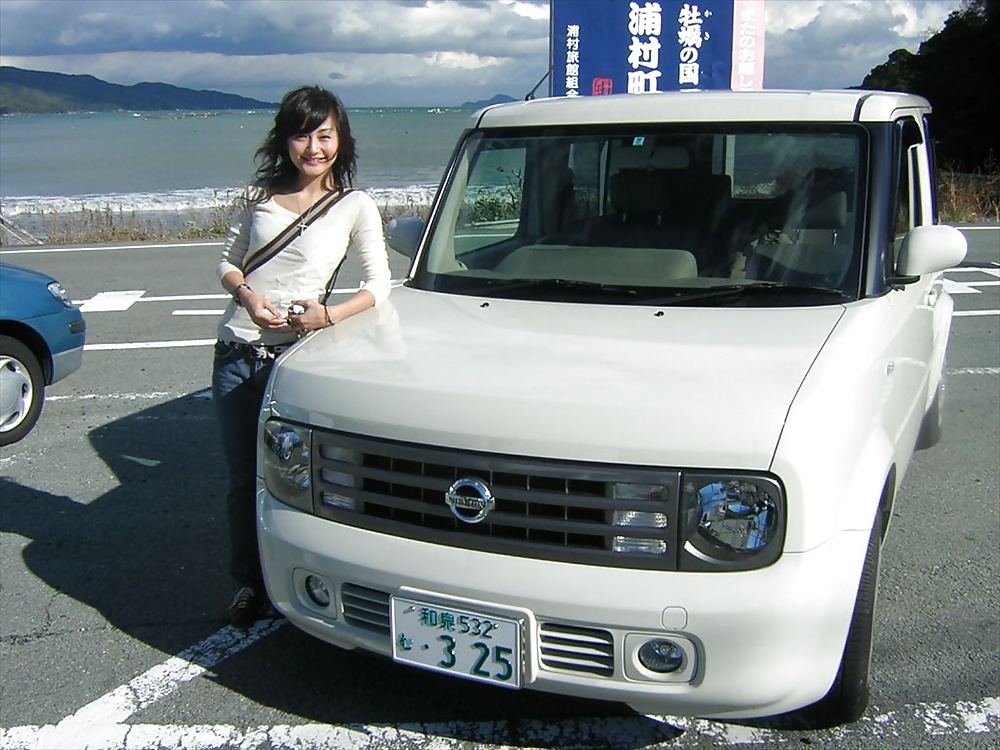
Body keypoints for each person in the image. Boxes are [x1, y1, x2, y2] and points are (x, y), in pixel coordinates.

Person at [213, 85, 391, 627]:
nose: (313, 148)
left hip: (299, 360)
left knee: (302, 481)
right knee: (244, 480)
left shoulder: (355, 206)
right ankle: (249, 583)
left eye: (324, 135)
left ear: (341, 140)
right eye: (301, 135)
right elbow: (227, 263)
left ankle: (309, 576)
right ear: (284, 140)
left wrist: (327, 317)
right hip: (237, 352)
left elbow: (378, 285)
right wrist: (247, 296)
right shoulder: (258, 198)